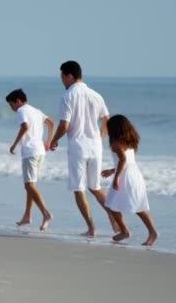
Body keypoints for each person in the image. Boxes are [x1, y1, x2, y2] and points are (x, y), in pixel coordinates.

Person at [50, 60, 119, 237]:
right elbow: (106, 121)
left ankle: (91, 228)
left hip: (78, 147)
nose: (62, 81)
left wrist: (54, 140)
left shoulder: (68, 96)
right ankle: (114, 217)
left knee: (79, 188)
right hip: (96, 147)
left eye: (62, 77)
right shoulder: (96, 95)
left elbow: (64, 125)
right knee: (95, 187)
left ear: (70, 76)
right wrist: (100, 137)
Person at [101, 115, 158, 246]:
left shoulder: (116, 143)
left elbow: (123, 160)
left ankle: (150, 232)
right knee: (115, 204)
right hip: (133, 174)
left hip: (126, 177)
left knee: (123, 205)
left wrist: (116, 178)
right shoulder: (129, 141)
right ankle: (125, 231)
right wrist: (112, 170)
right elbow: (126, 161)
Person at [5, 89, 54, 231]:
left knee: (29, 186)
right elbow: (51, 123)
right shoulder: (36, 111)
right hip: (40, 152)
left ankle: (46, 213)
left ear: (18, 101)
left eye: (11, 105)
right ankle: (27, 216)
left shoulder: (21, 111)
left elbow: (25, 127)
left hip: (30, 152)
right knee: (30, 185)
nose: (12, 108)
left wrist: (15, 144)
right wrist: (48, 142)